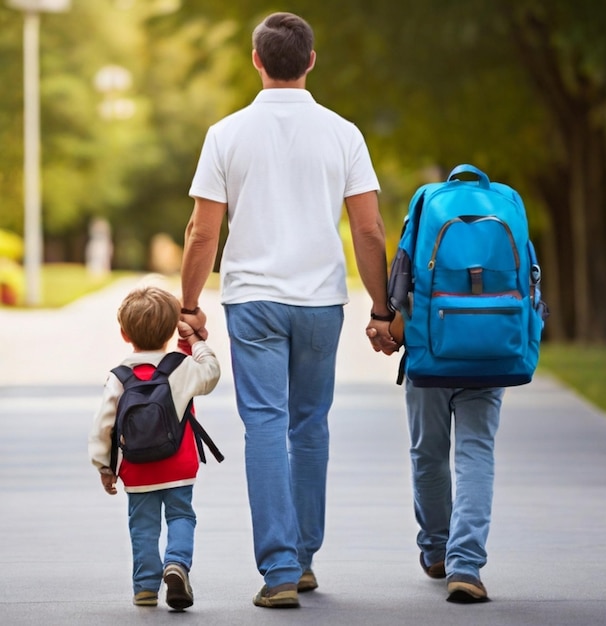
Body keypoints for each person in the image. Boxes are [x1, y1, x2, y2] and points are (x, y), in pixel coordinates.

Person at [179, 11, 397, 609]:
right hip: (321, 301)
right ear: (311, 60)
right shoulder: (344, 133)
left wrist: (189, 305)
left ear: (256, 60)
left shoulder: (226, 133)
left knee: (267, 428)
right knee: (310, 425)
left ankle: (277, 570)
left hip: (251, 301)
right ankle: (302, 558)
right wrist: (381, 309)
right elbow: (370, 229)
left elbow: (203, 233)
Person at [88, 286, 221, 610]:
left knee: (143, 526)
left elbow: (104, 425)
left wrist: (105, 467)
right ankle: (176, 563)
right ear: (170, 331)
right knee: (181, 516)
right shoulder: (181, 366)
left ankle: (145, 588)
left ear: (124, 333)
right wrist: (195, 342)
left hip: (137, 469)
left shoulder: (119, 376)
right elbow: (211, 373)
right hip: (178, 465)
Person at [405, 383, 503, 603]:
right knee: (476, 454)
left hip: (429, 359)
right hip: (486, 362)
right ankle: (465, 564)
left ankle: (437, 548)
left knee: (428, 454)